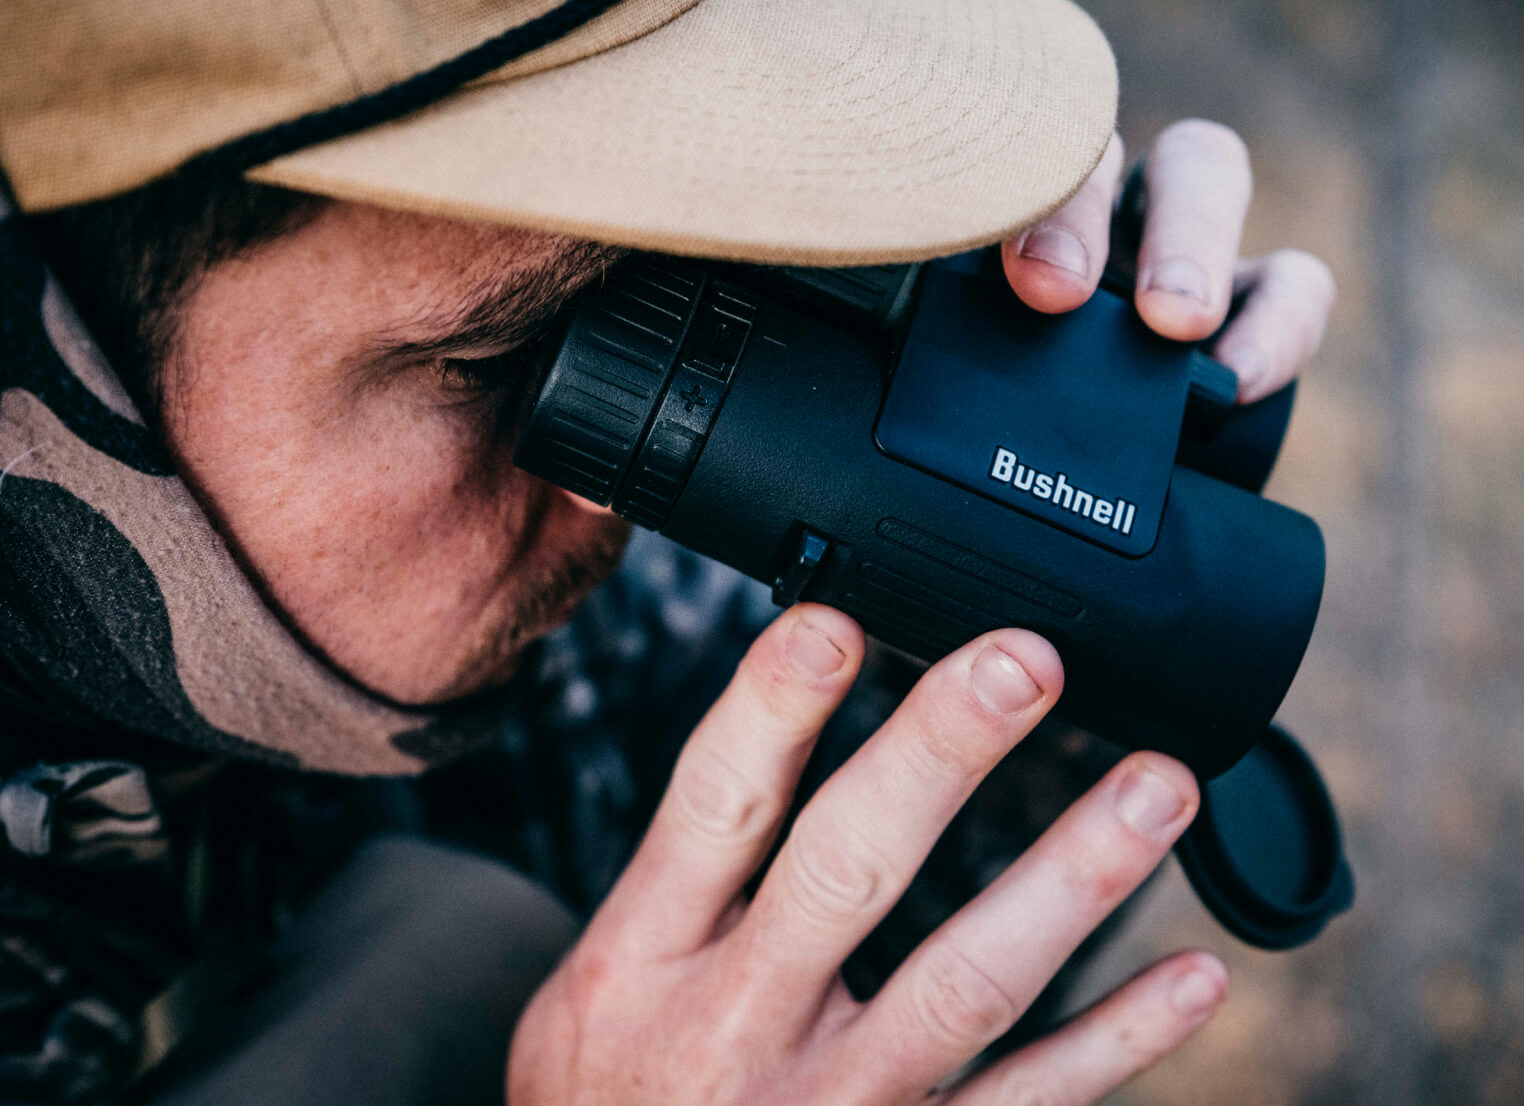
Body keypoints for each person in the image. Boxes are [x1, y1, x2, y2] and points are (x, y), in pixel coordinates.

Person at [0, 0, 1337, 1102]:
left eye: (678, 277)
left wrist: (1048, 500)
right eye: (489, 359)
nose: (612, 498)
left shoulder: (446, 649)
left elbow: (721, 898)